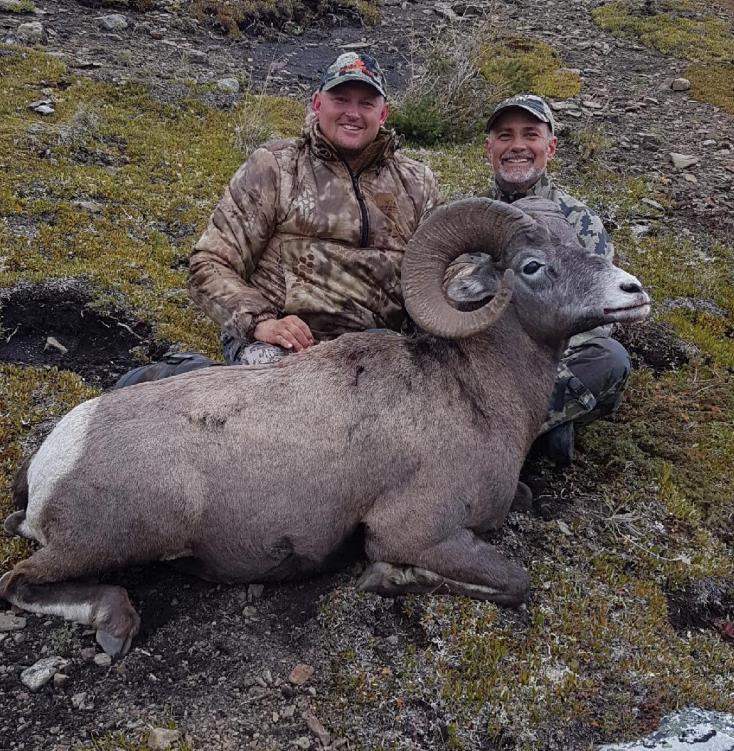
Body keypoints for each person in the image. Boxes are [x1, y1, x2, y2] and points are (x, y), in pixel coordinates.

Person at [123, 51, 435, 386]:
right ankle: (180, 380)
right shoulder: (275, 167)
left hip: (375, 348)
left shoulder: (416, 183)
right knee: (291, 403)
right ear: (317, 104)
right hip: (284, 341)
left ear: (383, 113)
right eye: (340, 99)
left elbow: (438, 269)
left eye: (366, 104)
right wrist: (260, 322)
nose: (352, 113)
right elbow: (209, 263)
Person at [462, 93, 630, 466]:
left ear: (550, 147)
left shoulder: (580, 222)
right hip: (481, 357)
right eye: (505, 135)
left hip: (547, 359)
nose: (517, 145)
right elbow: (450, 292)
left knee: (608, 358)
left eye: (530, 134)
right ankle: (539, 435)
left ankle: (502, 436)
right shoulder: (467, 217)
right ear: (489, 148)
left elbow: (596, 316)